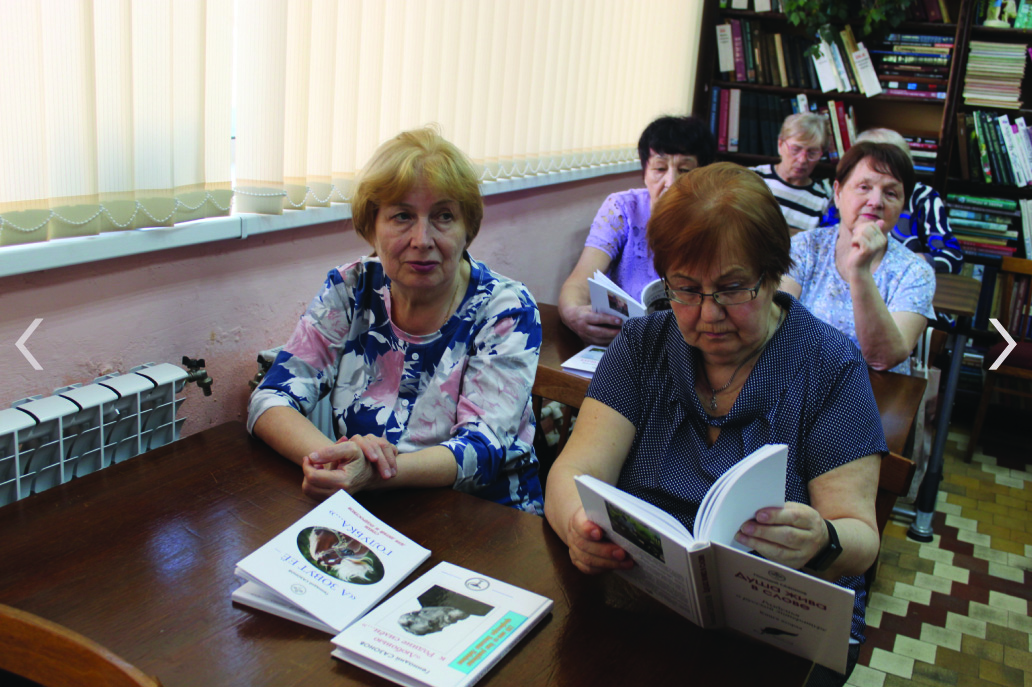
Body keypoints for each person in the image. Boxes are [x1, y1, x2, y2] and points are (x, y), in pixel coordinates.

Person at [544, 163, 885, 686]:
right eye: (685, 289)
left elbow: (860, 539)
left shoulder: (828, 365)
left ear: (773, 275)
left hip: (778, 626)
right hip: (645, 600)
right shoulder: (643, 345)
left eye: (732, 288)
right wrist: (577, 525)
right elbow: (572, 473)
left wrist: (823, 540)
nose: (708, 313)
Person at [248, 127, 544, 514]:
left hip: (485, 518)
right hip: (372, 509)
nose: (422, 239)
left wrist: (375, 473)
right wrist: (337, 462)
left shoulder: (507, 309)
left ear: (467, 229)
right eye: (402, 216)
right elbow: (272, 397)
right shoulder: (350, 289)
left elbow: (482, 449)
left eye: (444, 216)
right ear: (371, 226)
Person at [558, 115, 717, 345]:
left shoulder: (716, 219)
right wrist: (573, 314)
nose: (671, 182)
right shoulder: (622, 209)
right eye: (660, 168)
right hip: (624, 342)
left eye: (684, 169)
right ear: (644, 173)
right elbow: (578, 283)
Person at [781, 141, 936, 375]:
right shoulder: (805, 247)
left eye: (891, 193)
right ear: (838, 192)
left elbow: (883, 358)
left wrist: (860, 270)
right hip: (799, 379)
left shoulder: (915, 271)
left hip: (873, 391)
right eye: (864, 187)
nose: (876, 201)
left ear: (902, 205)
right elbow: (774, 323)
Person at [821, 128, 964, 275]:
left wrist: (900, 264)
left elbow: (952, 256)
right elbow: (825, 242)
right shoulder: (846, 191)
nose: (875, 202)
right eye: (864, 186)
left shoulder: (923, 196)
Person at [751, 113, 833, 235]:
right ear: (780, 145)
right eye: (795, 149)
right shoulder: (751, 178)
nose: (802, 160)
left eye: (812, 153)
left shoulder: (822, 203)